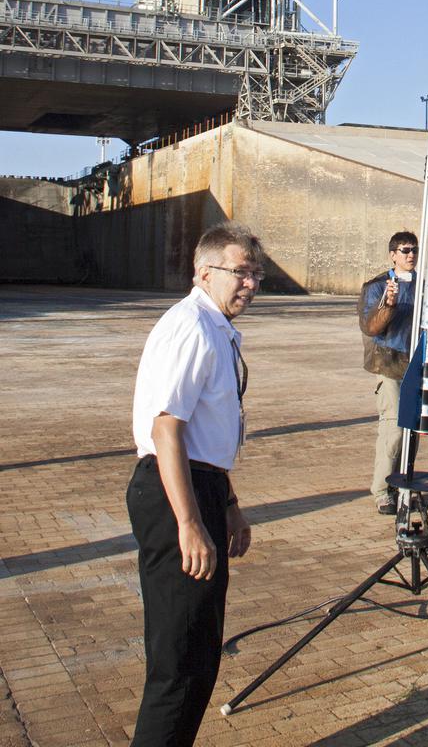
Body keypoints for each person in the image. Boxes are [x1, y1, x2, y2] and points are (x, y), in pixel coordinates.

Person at [126, 223, 265, 747]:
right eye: (239, 272)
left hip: (200, 484)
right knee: (179, 664)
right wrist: (188, 522)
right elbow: (167, 428)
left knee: (199, 654)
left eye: (255, 274)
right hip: (172, 491)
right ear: (204, 272)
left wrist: (227, 504)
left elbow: (208, 431)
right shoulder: (191, 327)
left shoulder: (216, 327)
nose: (249, 283)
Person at [358, 231, 419, 514]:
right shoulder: (376, 286)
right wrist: (388, 304)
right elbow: (371, 327)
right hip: (389, 363)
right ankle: (382, 489)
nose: (410, 255)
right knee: (393, 428)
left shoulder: (424, 286)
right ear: (392, 254)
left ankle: (403, 483)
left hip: (417, 365)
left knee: (412, 431)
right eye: (404, 250)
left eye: (414, 250)